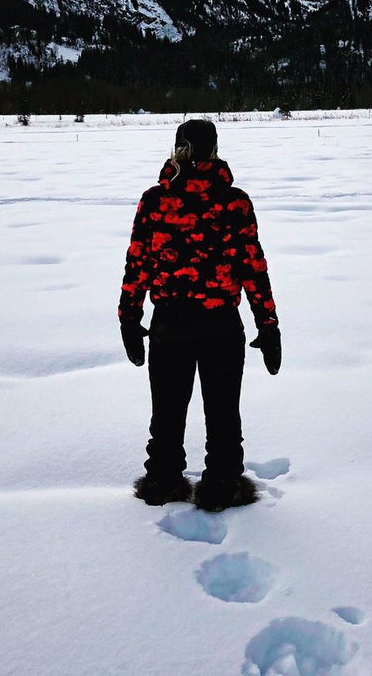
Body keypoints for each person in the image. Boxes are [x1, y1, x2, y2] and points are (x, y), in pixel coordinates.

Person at [118, 118, 282, 512]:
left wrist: (129, 316)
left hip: (170, 325)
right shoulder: (235, 201)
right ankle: (223, 484)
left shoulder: (154, 200)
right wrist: (268, 324)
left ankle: (162, 482)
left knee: (167, 415)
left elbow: (138, 263)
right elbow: (253, 267)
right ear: (214, 150)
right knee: (223, 415)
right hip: (221, 326)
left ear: (178, 149)